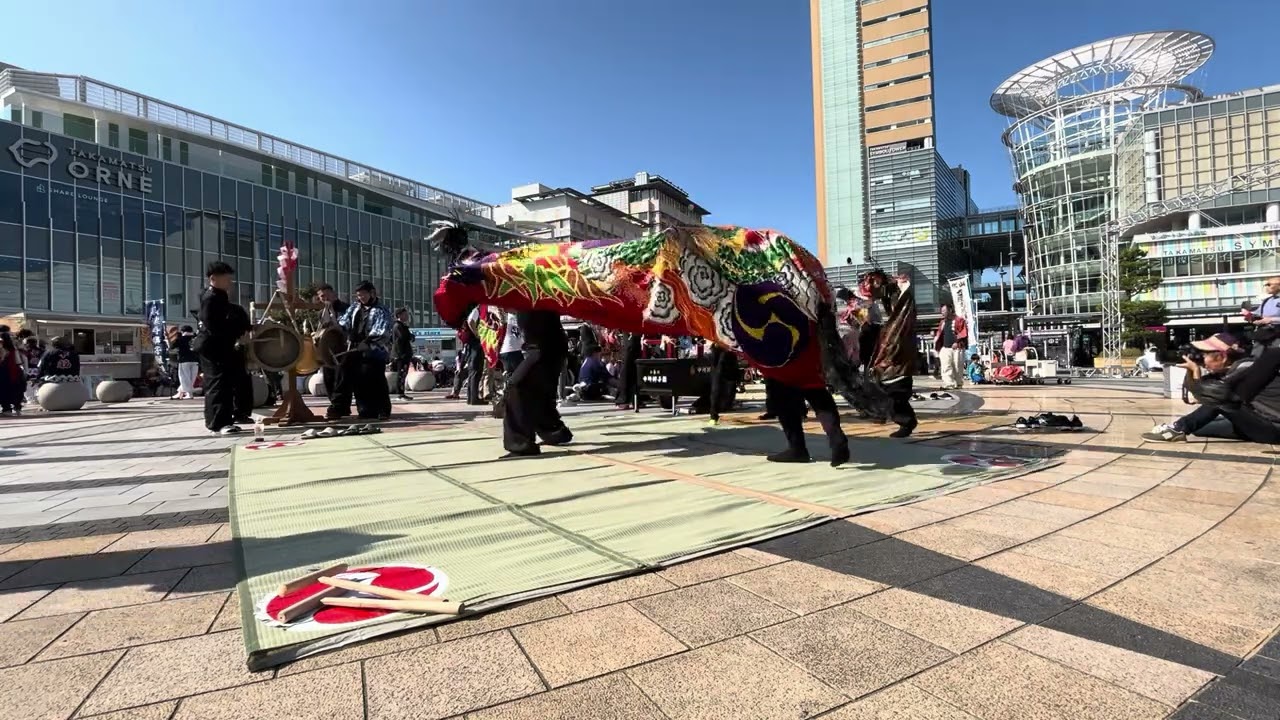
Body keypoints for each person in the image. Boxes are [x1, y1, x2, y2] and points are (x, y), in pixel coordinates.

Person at [1143, 334, 1280, 443]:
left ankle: (1177, 429)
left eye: (1205, 354)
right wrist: (1192, 371)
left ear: (1222, 356)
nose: (1202, 359)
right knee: (1200, 427)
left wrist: (1196, 372)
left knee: (1218, 400)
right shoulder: (1229, 372)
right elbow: (1199, 395)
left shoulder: (1246, 368)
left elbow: (1213, 397)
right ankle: (1182, 427)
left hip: (1274, 429)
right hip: (1261, 421)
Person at [502, 309, 572, 457]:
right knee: (539, 391)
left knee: (517, 386)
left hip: (545, 348)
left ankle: (521, 444)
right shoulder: (526, 296)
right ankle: (554, 432)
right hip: (547, 346)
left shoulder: (535, 291)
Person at [196, 261, 252, 435]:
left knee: (226, 383)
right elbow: (213, 325)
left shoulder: (220, 296)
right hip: (213, 347)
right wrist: (236, 331)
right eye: (226, 278)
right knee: (217, 384)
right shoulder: (210, 297)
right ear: (213, 279)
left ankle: (228, 419)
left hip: (222, 346)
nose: (230, 282)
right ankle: (218, 423)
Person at [338, 280, 393, 420]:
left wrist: (367, 341)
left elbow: (382, 330)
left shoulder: (381, 310)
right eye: (358, 295)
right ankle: (365, 410)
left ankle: (382, 410)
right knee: (358, 379)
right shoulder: (354, 308)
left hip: (375, 349)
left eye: (363, 294)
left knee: (375, 379)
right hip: (355, 347)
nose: (361, 297)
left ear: (372, 293)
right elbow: (344, 322)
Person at [316, 283, 353, 420]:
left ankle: (339, 406)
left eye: (327, 295)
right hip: (328, 348)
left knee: (341, 378)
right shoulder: (321, 313)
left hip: (343, 347)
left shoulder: (345, 309)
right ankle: (337, 405)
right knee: (329, 378)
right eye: (321, 296)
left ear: (334, 294)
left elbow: (348, 327)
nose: (325, 298)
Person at [933, 303, 968, 390]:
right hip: (945, 348)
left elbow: (964, 332)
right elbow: (940, 334)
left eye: (944, 311)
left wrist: (958, 342)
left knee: (957, 366)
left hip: (957, 348)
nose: (942, 313)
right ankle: (949, 384)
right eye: (942, 311)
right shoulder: (942, 322)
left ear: (950, 310)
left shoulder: (959, 320)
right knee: (945, 366)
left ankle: (958, 383)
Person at [390, 307, 415, 401]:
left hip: (404, 353)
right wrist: (409, 335)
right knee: (401, 373)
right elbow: (402, 337)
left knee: (403, 373)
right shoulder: (398, 326)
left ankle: (402, 393)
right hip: (401, 354)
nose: (407, 316)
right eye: (405, 314)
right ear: (399, 315)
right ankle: (400, 394)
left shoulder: (402, 326)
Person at [172, 326, 199, 400]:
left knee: (184, 378)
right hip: (195, 360)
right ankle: (180, 393)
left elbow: (172, 346)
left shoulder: (181, 339)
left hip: (184, 360)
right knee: (191, 378)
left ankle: (189, 394)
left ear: (183, 331)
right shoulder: (196, 338)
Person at [0, 332, 24, 414]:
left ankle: (6, 408)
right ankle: (17, 406)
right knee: (14, 389)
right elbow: (18, 361)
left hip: (2, 372)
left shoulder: (2, 348)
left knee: (3, 390)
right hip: (13, 372)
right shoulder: (13, 349)